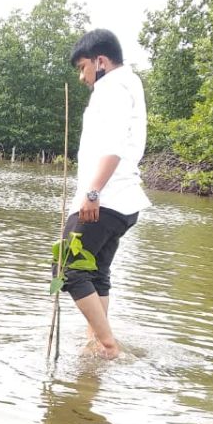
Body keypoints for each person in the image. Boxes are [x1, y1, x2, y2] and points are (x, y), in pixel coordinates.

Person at [58, 29, 151, 358]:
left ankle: (107, 344)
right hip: (123, 199)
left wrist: (92, 193)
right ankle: (95, 342)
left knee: (67, 266)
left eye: (83, 67)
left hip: (107, 197)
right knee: (95, 271)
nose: (83, 77)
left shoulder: (110, 87)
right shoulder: (130, 83)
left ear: (101, 61)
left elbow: (112, 147)